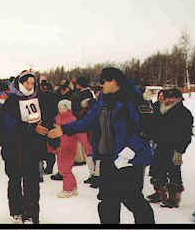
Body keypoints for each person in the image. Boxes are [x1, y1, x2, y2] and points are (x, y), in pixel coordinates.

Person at [48, 67, 155, 224]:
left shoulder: (134, 99)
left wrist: (129, 152)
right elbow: (89, 121)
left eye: (103, 81)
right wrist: (64, 129)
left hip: (129, 161)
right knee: (107, 201)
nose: (101, 85)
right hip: (107, 158)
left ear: (114, 81)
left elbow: (146, 128)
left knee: (132, 198)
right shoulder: (103, 100)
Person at [0, 70, 48, 224]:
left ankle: (31, 213)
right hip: (13, 148)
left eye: (32, 83)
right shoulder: (11, 101)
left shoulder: (37, 99)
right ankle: (16, 210)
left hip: (31, 148)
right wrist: (30, 127)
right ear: (20, 83)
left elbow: (42, 120)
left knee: (32, 181)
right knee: (15, 180)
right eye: (27, 83)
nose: (29, 86)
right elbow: (8, 125)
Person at [146, 88, 193, 208]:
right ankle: (160, 193)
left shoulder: (184, 113)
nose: (169, 100)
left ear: (178, 99)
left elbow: (186, 135)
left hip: (174, 147)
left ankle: (173, 198)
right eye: (167, 98)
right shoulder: (161, 110)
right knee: (157, 170)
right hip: (160, 145)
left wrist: (180, 151)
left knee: (174, 172)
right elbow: (152, 123)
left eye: (172, 98)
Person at [47, 99, 92, 197]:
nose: (60, 108)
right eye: (59, 107)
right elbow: (53, 133)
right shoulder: (57, 118)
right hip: (59, 147)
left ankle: (67, 189)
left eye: (62, 106)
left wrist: (87, 147)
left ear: (67, 107)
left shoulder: (72, 119)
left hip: (68, 147)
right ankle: (73, 186)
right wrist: (51, 145)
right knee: (63, 168)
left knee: (65, 169)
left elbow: (81, 134)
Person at [74, 77, 98, 187]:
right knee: (90, 151)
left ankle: (95, 175)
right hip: (88, 126)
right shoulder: (90, 94)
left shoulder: (82, 95)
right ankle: (94, 174)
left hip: (86, 127)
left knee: (90, 150)